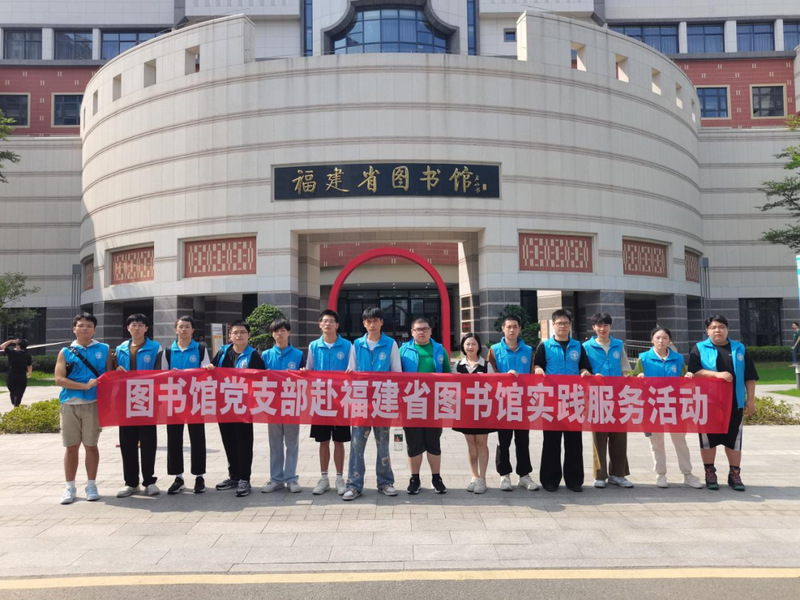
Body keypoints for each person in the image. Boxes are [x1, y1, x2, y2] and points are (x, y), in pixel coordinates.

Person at [689, 315, 758, 491]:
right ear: (707, 331)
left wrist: (750, 400)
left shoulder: (739, 348)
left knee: (734, 440)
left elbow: (750, 376)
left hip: (734, 403)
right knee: (708, 441)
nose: (717, 330)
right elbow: (694, 372)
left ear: (727, 329)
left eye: (721, 327)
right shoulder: (699, 348)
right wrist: (717, 375)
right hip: (707, 403)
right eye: (713, 327)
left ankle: (734, 474)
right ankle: (709, 472)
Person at [631, 326, 703, 489]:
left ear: (669, 340)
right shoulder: (644, 358)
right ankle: (660, 474)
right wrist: (638, 377)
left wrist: (688, 376)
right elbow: (634, 380)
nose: (661, 341)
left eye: (664, 338)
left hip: (674, 406)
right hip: (652, 406)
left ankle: (687, 474)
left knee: (680, 441)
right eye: (657, 338)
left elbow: (683, 380)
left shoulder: (677, 359)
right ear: (652, 340)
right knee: (656, 442)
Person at [53, 313, 112, 505]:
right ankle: (69, 487)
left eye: (88, 325)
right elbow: (59, 379)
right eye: (80, 325)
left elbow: (110, 375)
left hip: (93, 404)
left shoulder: (104, 349)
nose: (84, 328)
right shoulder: (65, 352)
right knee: (71, 447)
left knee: (91, 446)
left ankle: (91, 485)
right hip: (70, 404)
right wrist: (84, 386)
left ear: (94, 329)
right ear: (74, 329)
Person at [343, 306, 400, 501]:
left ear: (381, 322)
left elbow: (397, 373)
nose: (372, 324)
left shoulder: (390, 344)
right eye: (368, 321)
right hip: (361, 402)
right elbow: (351, 370)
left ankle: (385, 483)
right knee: (357, 444)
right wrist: (350, 374)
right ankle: (354, 485)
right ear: (364, 323)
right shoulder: (357, 344)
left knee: (383, 443)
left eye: (376, 321)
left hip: (383, 401)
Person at [534, 309, 592, 492]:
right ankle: (550, 480)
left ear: (570, 325)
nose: (563, 326)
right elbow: (537, 365)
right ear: (553, 325)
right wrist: (537, 369)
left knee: (574, 441)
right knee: (551, 441)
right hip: (551, 400)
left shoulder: (578, 346)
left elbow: (584, 366)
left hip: (574, 400)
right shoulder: (545, 346)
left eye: (566, 323)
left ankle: (574, 480)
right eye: (559, 323)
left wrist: (584, 372)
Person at [206, 320, 265, 497]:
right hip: (224, 406)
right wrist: (209, 368)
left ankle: (244, 478)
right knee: (229, 441)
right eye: (235, 332)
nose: (239, 335)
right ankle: (234, 476)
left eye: (242, 332)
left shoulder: (254, 356)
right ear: (230, 336)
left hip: (244, 407)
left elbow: (261, 380)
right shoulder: (223, 352)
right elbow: (211, 370)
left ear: (249, 335)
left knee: (244, 442)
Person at [487, 314, 539, 492]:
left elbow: (533, 374)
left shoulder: (528, 351)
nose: (511, 330)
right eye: (508, 326)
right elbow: (489, 375)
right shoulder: (494, 350)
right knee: (504, 440)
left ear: (519, 329)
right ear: (502, 328)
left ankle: (524, 475)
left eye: (515, 326)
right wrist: (504, 376)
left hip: (523, 402)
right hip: (503, 402)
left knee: (523, 440)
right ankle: (504, 474)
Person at [399, 316, 451, 494]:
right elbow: (395, 376)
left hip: (433, 405)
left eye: (425, 329)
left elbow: (448, 376)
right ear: (412, 332)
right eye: (418, 329)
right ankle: (415, 478)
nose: (421, 332)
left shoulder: (439, 350)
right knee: (413, 444)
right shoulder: (403, 350)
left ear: (430, 331)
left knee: (433, 442)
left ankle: (436, 478)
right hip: (411, 404)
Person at [114, 313, 163, 498]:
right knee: (127, 442)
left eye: (141, 325)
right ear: (128, 328)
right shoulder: (120, 349)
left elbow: (160, 372)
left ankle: (149, 481)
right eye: (133, 324)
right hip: (125, 401)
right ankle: (131, 483)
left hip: (147, 400)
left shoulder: (156, 348)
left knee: (148, 442)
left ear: (146, 328)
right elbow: (112, 373)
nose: (137, 328)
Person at [583, 313, 633, 489]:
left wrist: (628, 379)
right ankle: (600, 475)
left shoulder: (618, 345)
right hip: (596, 397)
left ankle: (618, 474)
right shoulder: (586, 347)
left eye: (605, 325)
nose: (602, 329)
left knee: (619, 437)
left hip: (618, 396)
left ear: (610, 327)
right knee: (599, 437)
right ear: (593, 327)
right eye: (599, 325)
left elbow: (625, 369)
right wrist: (589, 375)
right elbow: (583, 370)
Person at [161, 316, 210, 495]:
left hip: (195, 400)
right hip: (174, 400)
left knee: (197, 438)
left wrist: (208, 369)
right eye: (180, 327)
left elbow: (206, 372)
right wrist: (170, 374)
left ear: (192, 330)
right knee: (174, 438)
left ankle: (199, 476)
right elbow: (162, 375)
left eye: (187, 327)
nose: (183, 330)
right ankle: (178, 477)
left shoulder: (201, 349)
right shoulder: (168, 351)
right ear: (176, 330)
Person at [306, 309, 352, 496]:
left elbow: (352, 369)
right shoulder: (313, 346)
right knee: (323, 440)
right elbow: (309, 370)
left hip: (341, 401)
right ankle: (324, 478)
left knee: (339, 441)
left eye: (331, 321)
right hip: (321, 400)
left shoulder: (347, 346)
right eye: (324, 321)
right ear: (319, 324)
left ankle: (340, 478)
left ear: (337, 325)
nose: (328, 324)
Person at [261, 318, 305, 494]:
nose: (279, 334)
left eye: (282, 330)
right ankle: (276, 479)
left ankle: (291, 479)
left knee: (292, 444)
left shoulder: (299, 355)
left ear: (289, 332)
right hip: (272, 405)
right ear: (272, 334)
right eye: (276, 331)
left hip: (291, 404)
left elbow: (305, 379)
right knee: (275, 444)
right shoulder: (265, 355)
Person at [453, 332, 495, 494]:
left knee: (481, 443)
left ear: (478, 346)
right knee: (470, 444)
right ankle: (474, 476)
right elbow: (453, 388)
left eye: (473, 344)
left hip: (482, 410)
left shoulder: (486, 365)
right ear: (463, 346)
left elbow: (494, 387)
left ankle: (482, 478)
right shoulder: (458, 366)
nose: (470, 347)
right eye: (467, 344)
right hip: (465, 410)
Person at [1, 338, 32, 407]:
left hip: (11, 376)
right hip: (22, 376)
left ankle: (14, 403)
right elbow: (29, 365)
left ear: (18, 346)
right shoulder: (27, 355)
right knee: (20, 392)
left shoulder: (12, 353)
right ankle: (17, 404)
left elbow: (2, 346)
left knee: (12, 391)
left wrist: (11, 341)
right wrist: (29, 373)